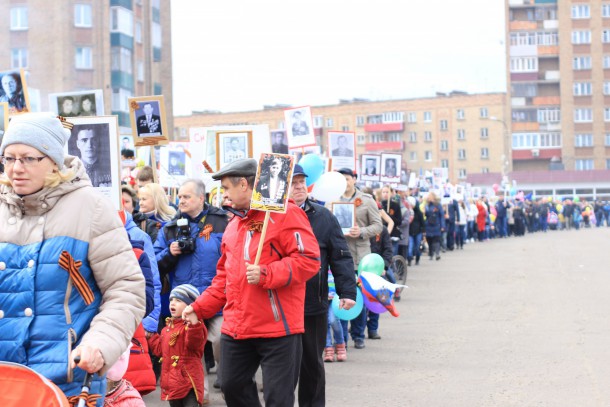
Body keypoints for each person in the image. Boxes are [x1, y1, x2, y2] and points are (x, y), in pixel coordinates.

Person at [0, 112, 145, 405]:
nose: (16, 168)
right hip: (6, 380)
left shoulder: (91, 208)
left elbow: (125, 290)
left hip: (69, 380)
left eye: (28, 158)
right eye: (9, 157)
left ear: (53, 161)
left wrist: (100, 343)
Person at [182, 158, 321, 407]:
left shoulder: (287, 214)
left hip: (278, 328)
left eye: (226, 188)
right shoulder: (234, 224)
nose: (223, 194)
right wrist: (199, 307)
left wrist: (268, 273)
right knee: (230, 385)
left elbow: (308, 259)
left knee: (278, 399)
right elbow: (223, 277)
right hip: (238, 325)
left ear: (244, 184)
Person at [154, 178, 228, 403]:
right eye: (179, 196)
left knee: (222, 340)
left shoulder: (222, 221)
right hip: (184, 300)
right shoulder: (170, 227)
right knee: (188, 351)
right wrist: (170, 253)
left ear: (200, 198)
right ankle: (199, 396)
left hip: (216, 297)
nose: (181, 200)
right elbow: (154, 264)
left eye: (186, 196)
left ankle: (229, 383)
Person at [289, 164, 357, 407]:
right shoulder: (271, 218)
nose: (298, 187)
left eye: (301, 182)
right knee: (283, 369)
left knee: (312, 365)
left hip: (313, 303)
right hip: (280, 304)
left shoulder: (323, 216)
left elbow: (341, 256)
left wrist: (347, 291)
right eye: (292, 182)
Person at [336, 168, 382, 349]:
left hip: (361, 258)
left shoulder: (366, 201)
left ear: (354, 180)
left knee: (359, 300)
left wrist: (361, 231)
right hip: (339, 256)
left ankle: (358, 334)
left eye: (347, 179)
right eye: (342, 179)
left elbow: (378, 226)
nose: (345, 182)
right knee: (339, 298)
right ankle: (341, 339)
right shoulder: (334, 200)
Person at [148, 284, 207, 407]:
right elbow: (159, 350)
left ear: (190, 305)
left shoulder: (194, 326)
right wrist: (151, 336)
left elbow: (194, 344)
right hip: (172, 383)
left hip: (189, 382)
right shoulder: (167, 329)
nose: (172, 303)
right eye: (171, 300)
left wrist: (193, 324)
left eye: (178, 300)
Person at [424, 191, 445, 260]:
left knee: (436, 240)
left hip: (436, 225)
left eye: (430, 196)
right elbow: (426, 215)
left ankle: (437, 253)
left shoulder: (438, 205)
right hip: (428, 225)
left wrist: (442, 226)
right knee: (429, 240)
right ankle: (431, 254)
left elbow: (441, 216)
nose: (428, 197)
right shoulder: (427, 205)